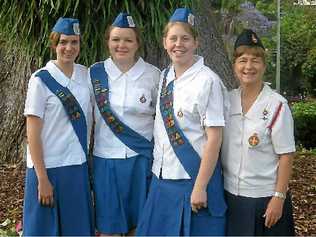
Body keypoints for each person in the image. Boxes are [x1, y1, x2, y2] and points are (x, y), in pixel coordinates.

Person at [136, 8, 227, 236]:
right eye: (173, 38)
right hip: (161, 179)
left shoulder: (208, 81)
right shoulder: (165, 76)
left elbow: (214, 138)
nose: (179, 44)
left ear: (196, 42)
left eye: (185, 38)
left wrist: (200, 186)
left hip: (192, 181)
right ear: (164, 42)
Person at [89, 12, 160, 236]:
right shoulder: (94, 74)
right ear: (108, 42)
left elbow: (162, 121)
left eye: (128, 40)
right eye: (116, 39)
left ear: (137, 43)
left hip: (141, 160)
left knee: (140, 226)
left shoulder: (153, 75)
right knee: (108, 227)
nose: (122, 45)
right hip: (105, 160)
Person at [23, 17, 94, 236]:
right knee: (43, 230)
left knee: (77, 229)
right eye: (63, 42)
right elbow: (32, 134)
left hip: (77, 165)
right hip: (47, 168)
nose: (69, 48)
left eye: (74, 42)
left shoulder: (86, 75)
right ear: (54, 44)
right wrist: (42, 179)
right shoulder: (40, 80)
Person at [221, 29, 296, 236]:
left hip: (265, 200)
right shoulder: (226, 101)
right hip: (231, 199)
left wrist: (279, 197)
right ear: (234, 65)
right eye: (242, 60)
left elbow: (286, 155)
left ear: (263, 65)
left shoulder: (276, 105)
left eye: (255, 60)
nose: (248, 66)